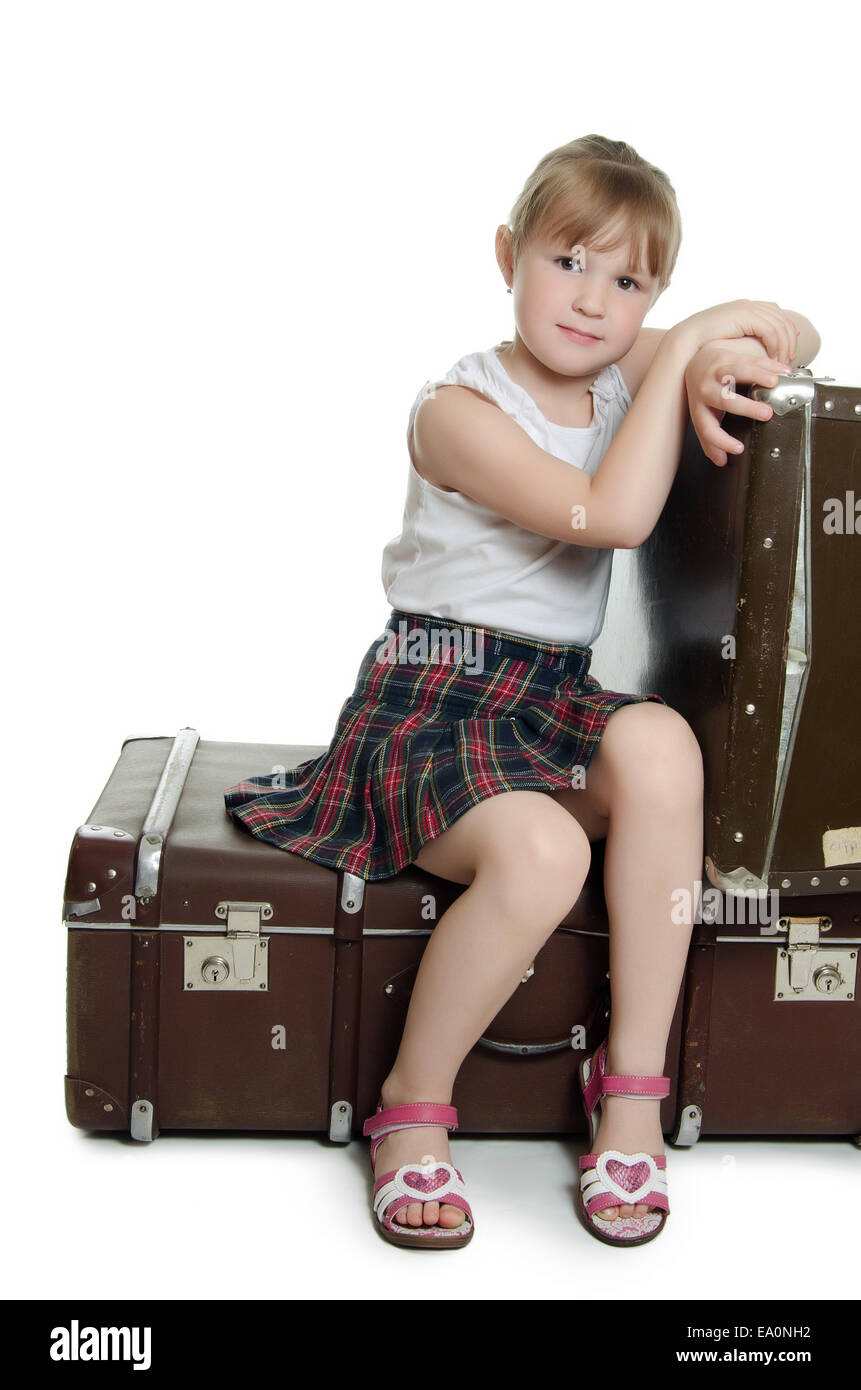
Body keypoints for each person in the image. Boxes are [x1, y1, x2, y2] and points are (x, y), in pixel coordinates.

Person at [223, 134, 819, 1249]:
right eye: (569, 260)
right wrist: (683, 344)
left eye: (631, 281)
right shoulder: (458, 409)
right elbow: (610, 517)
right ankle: (410, 1106)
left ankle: (629, 1090)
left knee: (663, 752)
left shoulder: (617, 379)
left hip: (548, 697)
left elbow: (795, 327)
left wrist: (701, 361)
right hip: (430, 700)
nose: (595, 302)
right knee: (544, 849)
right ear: (508, 254)